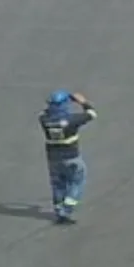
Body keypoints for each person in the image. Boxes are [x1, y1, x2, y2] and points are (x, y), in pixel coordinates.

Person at [38, 89, 97, 225]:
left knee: (58, 185)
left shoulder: (44, 120)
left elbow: (43, 112)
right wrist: (83, 102)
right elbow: (92, 114)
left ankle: (59, 211)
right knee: (77, 181)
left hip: (53, 159)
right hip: (72, 157)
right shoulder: (71, 120)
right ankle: (67, 208)